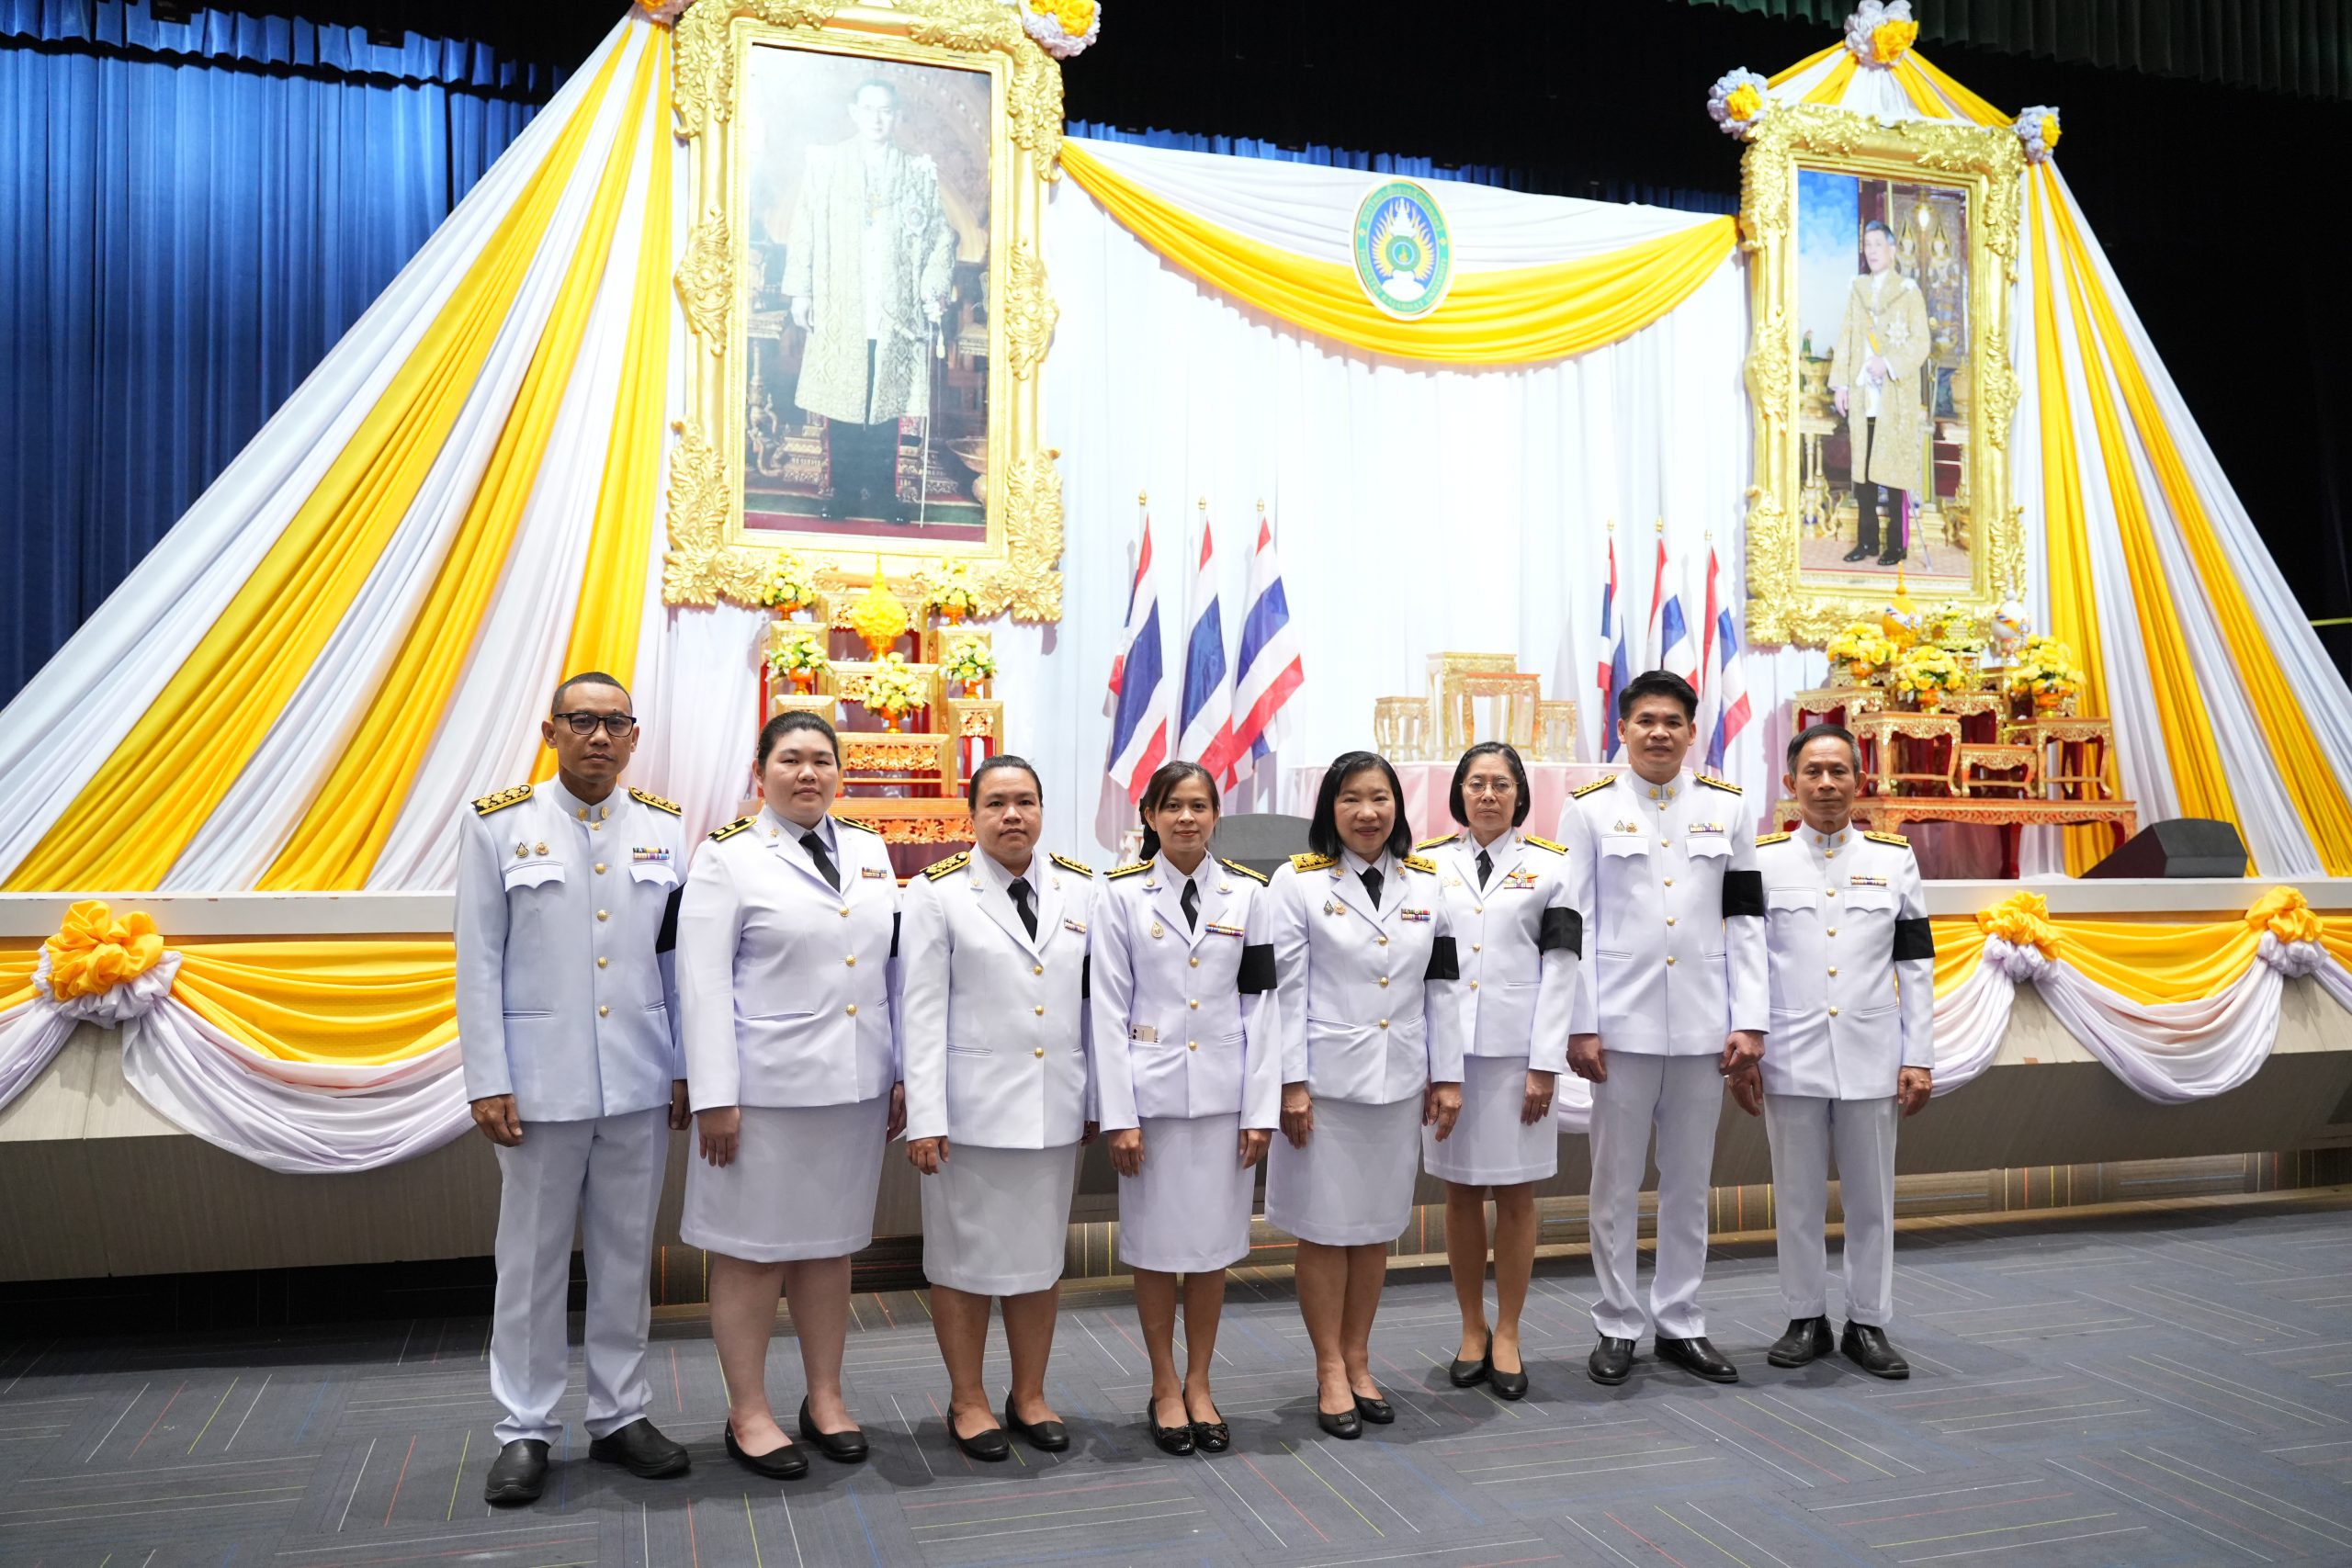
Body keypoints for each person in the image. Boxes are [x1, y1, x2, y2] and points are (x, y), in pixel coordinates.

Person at [455, 672, 692, 1506]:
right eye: (581, 720)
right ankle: (524, 1426)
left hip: (637, 1077)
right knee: (529, 1262)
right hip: (538, 1084)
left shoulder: (664, 827)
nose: (598, 736)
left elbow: (675, 961)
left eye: (614, 723)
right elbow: (477, 959)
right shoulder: (499, 825)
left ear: (634, 736)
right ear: (550, 731)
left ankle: (620, 1413)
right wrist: (487, 1076)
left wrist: (683, 1065)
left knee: (627, 1256)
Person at [676, 712, 904, 1478]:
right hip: (761, 1096)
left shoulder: (869, 850)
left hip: (853, 1088)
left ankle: (825, 1397)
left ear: (840, 771)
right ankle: (748, 1411)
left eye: (821, 760)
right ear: (761, 771)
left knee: (829, 1249)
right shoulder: (727, 857)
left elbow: (891, 973)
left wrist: (899, 1071)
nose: (808, 773)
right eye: (791, 759)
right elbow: (703, 983)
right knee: (750, 1254)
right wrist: (714, 1094)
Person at [1558, 671, 1766, 1386]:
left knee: (1689, 1183)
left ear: (1691, 731)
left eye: (1672, 721)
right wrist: (1580, 1023)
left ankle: (1680, 1319)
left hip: (1706, 1026)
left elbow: (1746, 918)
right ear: (1622, 729)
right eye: (1645, 720)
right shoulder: (1589, 809)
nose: (1658, 732)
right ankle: (1617, 1320)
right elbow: (1573, 923)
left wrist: (1751, 1020)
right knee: (1615, 1183)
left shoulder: (1727, 807)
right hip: (1620, 1027)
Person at [899, 756, 1100, 1461]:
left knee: (1040, 1261)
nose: (1012, 814)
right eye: (996, 803)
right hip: (970, 1117)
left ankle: (1030, 1394)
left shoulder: (1082, 889)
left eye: (1025, 801)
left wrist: (1097, 1097)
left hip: (1053, 1108)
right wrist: (925, 1115)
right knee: (962, 1263)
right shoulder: (937, 894)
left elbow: (1094, 1006)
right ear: (973, 814)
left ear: (1041, 810)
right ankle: (968, 1398)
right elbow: (920, 1012)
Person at [1267, 750, 1464, 1439]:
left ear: (1397, 807)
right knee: (1326, 1230)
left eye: (1379, 797)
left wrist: (1448, 1074)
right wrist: (1290, 1082)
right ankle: (1328, 1367)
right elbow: (1283, 993)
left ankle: (1358, 1359)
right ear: (1331, 807)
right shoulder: (1297, 882)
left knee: (1376, 1229)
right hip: (1324, 1086)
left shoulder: (1428, 882)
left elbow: (1443, 986)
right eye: (1351, 798)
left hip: (1399, 1081)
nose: (1367, 812)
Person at [1092, 762, 1281, 1455]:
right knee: (1153, 1250)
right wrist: (1119, 1115)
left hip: (1225, 1102)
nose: (1186, 818)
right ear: (1149, 815)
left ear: (1215, 814)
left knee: (1211, 1251)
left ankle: (1200, 1382)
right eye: (1172, 806)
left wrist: (1260, 1108)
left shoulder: (1249, 894)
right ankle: (1164, 1382)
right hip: (1152, 1102)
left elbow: (1263, 1006)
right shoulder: (1119, 895)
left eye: (1199, 805)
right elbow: (1107, 1009)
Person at [1750, 724, 1934, 1379]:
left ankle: (1867, 1321)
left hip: (1871, 1052)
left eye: (1839, 772)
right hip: (1790, 1052)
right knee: (1796, 1195)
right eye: (1813, 772)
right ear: (1790, 783)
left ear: (1859, 780)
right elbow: (1745, 962)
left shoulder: (1893, 858)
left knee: (1871, 1197)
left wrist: (1919, 1054)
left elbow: (1915, 963)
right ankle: (1804, 1317)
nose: (1826, 784)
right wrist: (1747, 1046)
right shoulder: (1763, 860)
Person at [1415, 743, 1580, 1402]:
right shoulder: (1427, 863)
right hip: (1448, 1056)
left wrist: (1545, 1063)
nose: (1488, 795)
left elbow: (1562, 966)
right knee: (1459, 1192)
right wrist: (1432, 1064)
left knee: (1516, 1195)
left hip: (1518, 1059)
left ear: (1520, 794)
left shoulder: (1552, 867)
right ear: (1459, 792)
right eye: (1476, 783)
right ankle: (1471, 1327)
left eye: (1501, 784)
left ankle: (1508, 1330)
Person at [782, 76, 956, 521]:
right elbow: (804, 227)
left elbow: (940, 236)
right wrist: (800, 290)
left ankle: (883, 495)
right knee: (845, 401)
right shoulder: (826, 164)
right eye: (868, 109)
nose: (877, 119)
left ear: (897, 115)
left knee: (885, 403)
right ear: (854, 113)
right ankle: (840, 493)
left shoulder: (917, 171)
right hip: (841, 299)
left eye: (886, 110)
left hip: (893, 306)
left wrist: (933, 290)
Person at [1829, 218, 1931, 567]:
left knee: (1895, 473)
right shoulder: (1857, 289)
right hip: (1863, 396)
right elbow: (1846, 337)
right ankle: (1867, 542)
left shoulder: (1908, 291)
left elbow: (1921, 343)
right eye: (1867, 245)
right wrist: (1841, 385)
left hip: (1895, 397)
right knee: (1864, 474)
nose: (1871, 251)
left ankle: (1896, 546)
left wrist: (1887, 363)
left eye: (1878, 245)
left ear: (1892, 249)